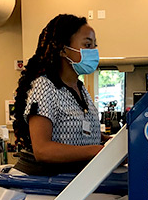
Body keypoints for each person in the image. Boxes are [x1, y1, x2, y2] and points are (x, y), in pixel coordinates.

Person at [12, 14, 109, 176]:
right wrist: (97, 150)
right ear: (63, 50)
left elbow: (79, 131)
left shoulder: (80, 88)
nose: (93, 52)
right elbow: (42, 150)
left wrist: (108, 141)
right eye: (87, 45)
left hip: (78, 181)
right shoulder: (45, 87)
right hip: (51, 185)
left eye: (94, 46)